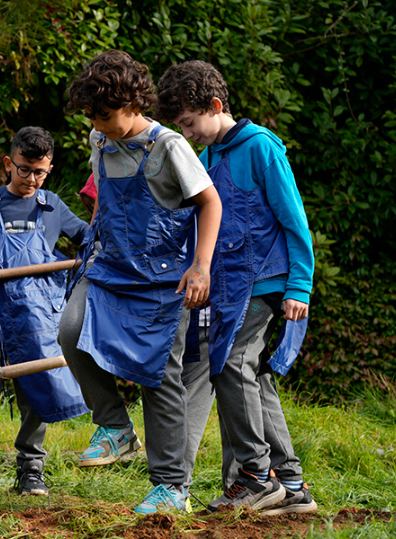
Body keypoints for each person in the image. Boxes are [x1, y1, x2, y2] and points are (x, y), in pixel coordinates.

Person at [58, 50, 222, 513]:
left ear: (132, 104)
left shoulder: (169, 145)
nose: (99, 123)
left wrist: (201, 267)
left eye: (105, 115)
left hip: (163, 276)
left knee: (159, 375)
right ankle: (115, 427)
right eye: (92, 116)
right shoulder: (99, 140)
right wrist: (88, 246)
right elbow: (104, 202)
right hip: (110, 264)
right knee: (70, 331)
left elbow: (210, 204)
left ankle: (171, 487)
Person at [156, 60, 318, 515]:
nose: (187, 134)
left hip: (267, 281)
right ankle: (291, 482)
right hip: (228, 290)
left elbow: (294, 220)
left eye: (189, 122)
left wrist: (300, 287)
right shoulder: (206, 160)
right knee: (254, 376)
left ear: (214, 105)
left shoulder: (262, 147)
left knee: (230, 365)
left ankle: (255, 475)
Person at [0, 127, 90, 498]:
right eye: (24, 169)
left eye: (39, 172)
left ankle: (31, 471)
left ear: (49, 168)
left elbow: (88, 239)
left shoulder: (52, 206)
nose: (31, 179)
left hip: (36, 316)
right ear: (10, 162)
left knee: (34, 391)